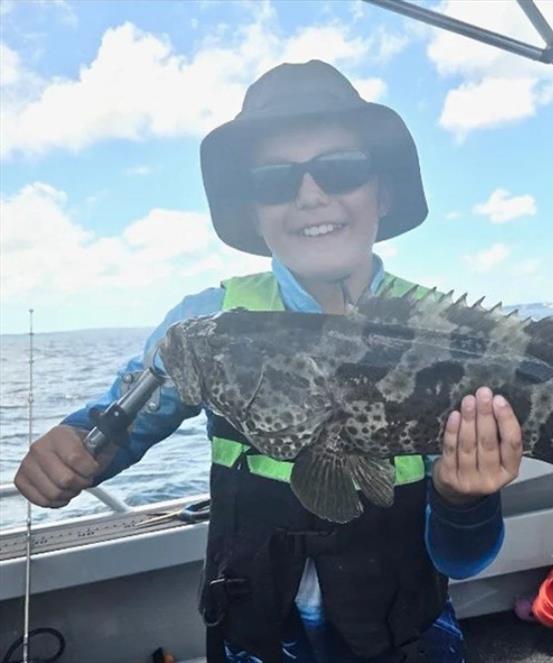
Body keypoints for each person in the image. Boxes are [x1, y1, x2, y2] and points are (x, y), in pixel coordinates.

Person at [14, 60, 524, 663]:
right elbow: (119, 422)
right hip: (253, 639)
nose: (311, 194)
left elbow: (464, 558)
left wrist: (465, 499)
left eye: (342, 169)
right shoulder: (208, 324)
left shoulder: (450, 342)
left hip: (406, 638)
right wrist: (71, 448)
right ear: (252, 211)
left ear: (381, 192)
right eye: (274, 181)